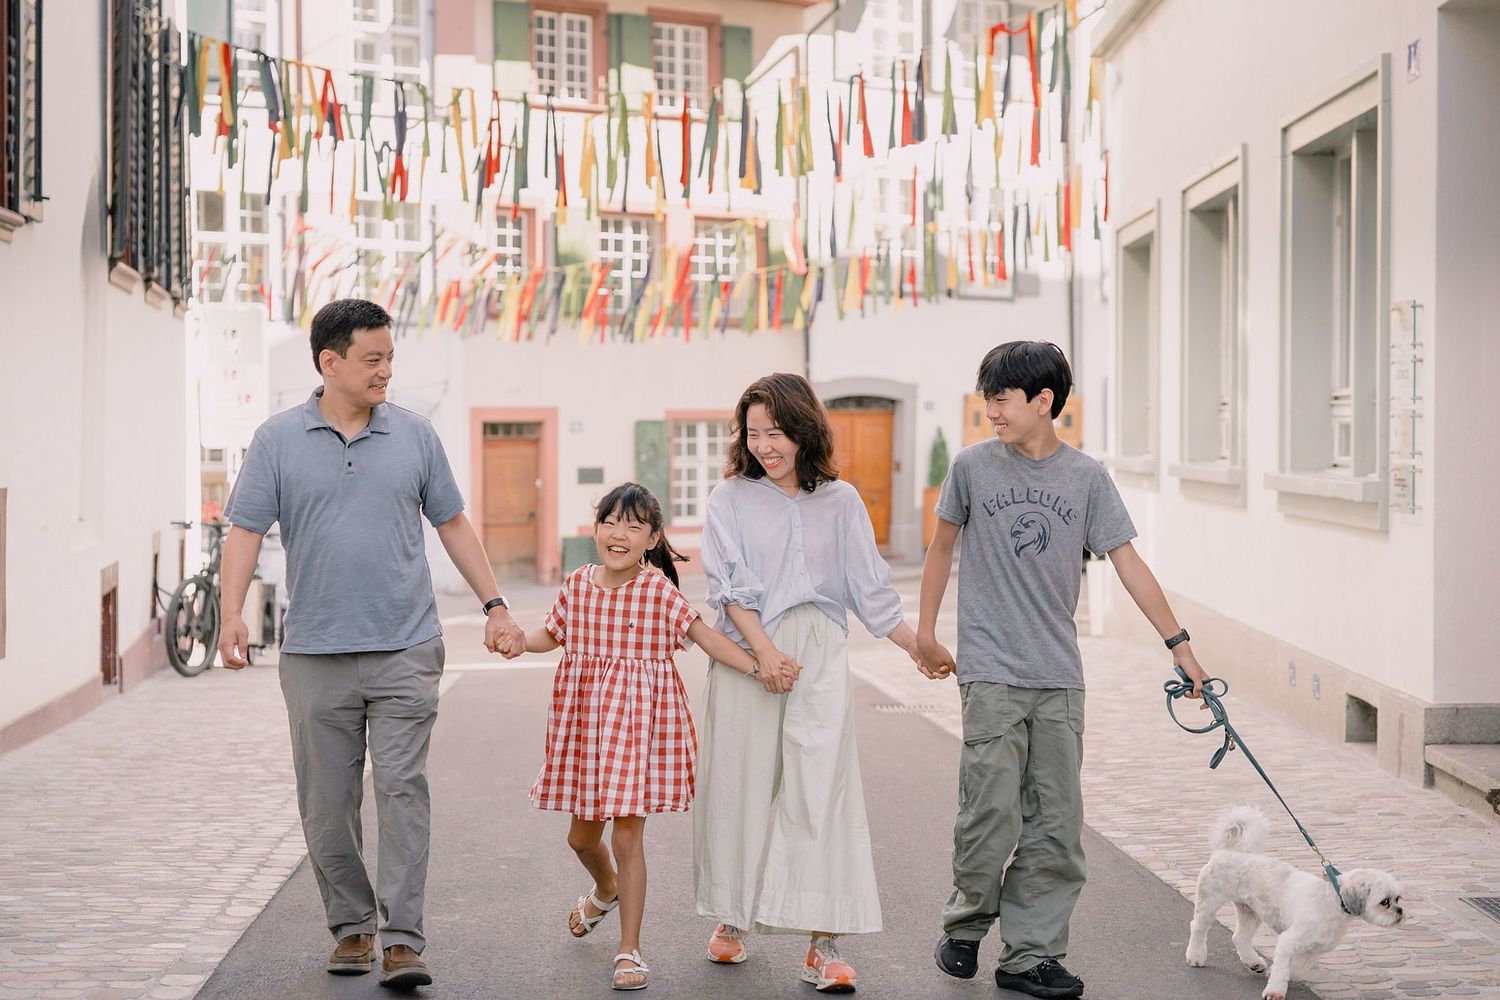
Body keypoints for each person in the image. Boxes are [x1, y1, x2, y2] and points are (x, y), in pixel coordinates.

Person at [216, 298, 525, 989]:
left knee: (401, 788)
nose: (387, 370)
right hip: (314, 654)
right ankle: (352, 927)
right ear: (330, 363)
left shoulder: (415, 437)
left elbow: (452, 523)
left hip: (406, 647)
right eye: (373, 358)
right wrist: (230, 612)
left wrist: (496, 606)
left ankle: (404, 942)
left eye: (390, 357)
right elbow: (243, 530)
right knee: (326, 802)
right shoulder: (276, 441)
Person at [919, 341, 1208, 999]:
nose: (990, 409)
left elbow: (1128, 563)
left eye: (1000, 397)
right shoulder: (971, 468)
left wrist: (1179, 644)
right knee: (989, 811)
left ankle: (1030, 956)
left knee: (1055, 822)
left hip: (1058, 676)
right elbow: (940, 549)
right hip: (990, 669)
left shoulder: (1086, 478)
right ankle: (965, 924)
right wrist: (925, 636)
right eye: (986, 396)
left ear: (1042, 400)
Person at [694, 372, 922, 994]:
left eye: (777, 432)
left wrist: (917, 647)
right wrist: (764, 654)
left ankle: (823, 942)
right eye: (754, 433)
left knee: (823, 789)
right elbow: (728, 587)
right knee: (739, 785)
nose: (765, 445)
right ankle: (732, 918)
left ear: (804, 429)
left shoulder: (842, 500)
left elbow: (871, 591)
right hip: (748, 651)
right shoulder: (729, 499)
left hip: (820, 649)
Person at [517, 482, 760, 991]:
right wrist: (519, 641)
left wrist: (760, 667)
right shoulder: (579, 584)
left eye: (633, 525)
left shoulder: (657, 591)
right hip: (584, 729)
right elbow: (552, 634)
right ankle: (604, 887)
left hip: (637, 731)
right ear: (597, 529)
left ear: (651, 539)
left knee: (628, 836)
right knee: (580, 836)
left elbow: (706, 638)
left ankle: (630, 951)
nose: (619, 533)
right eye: (610, 522)